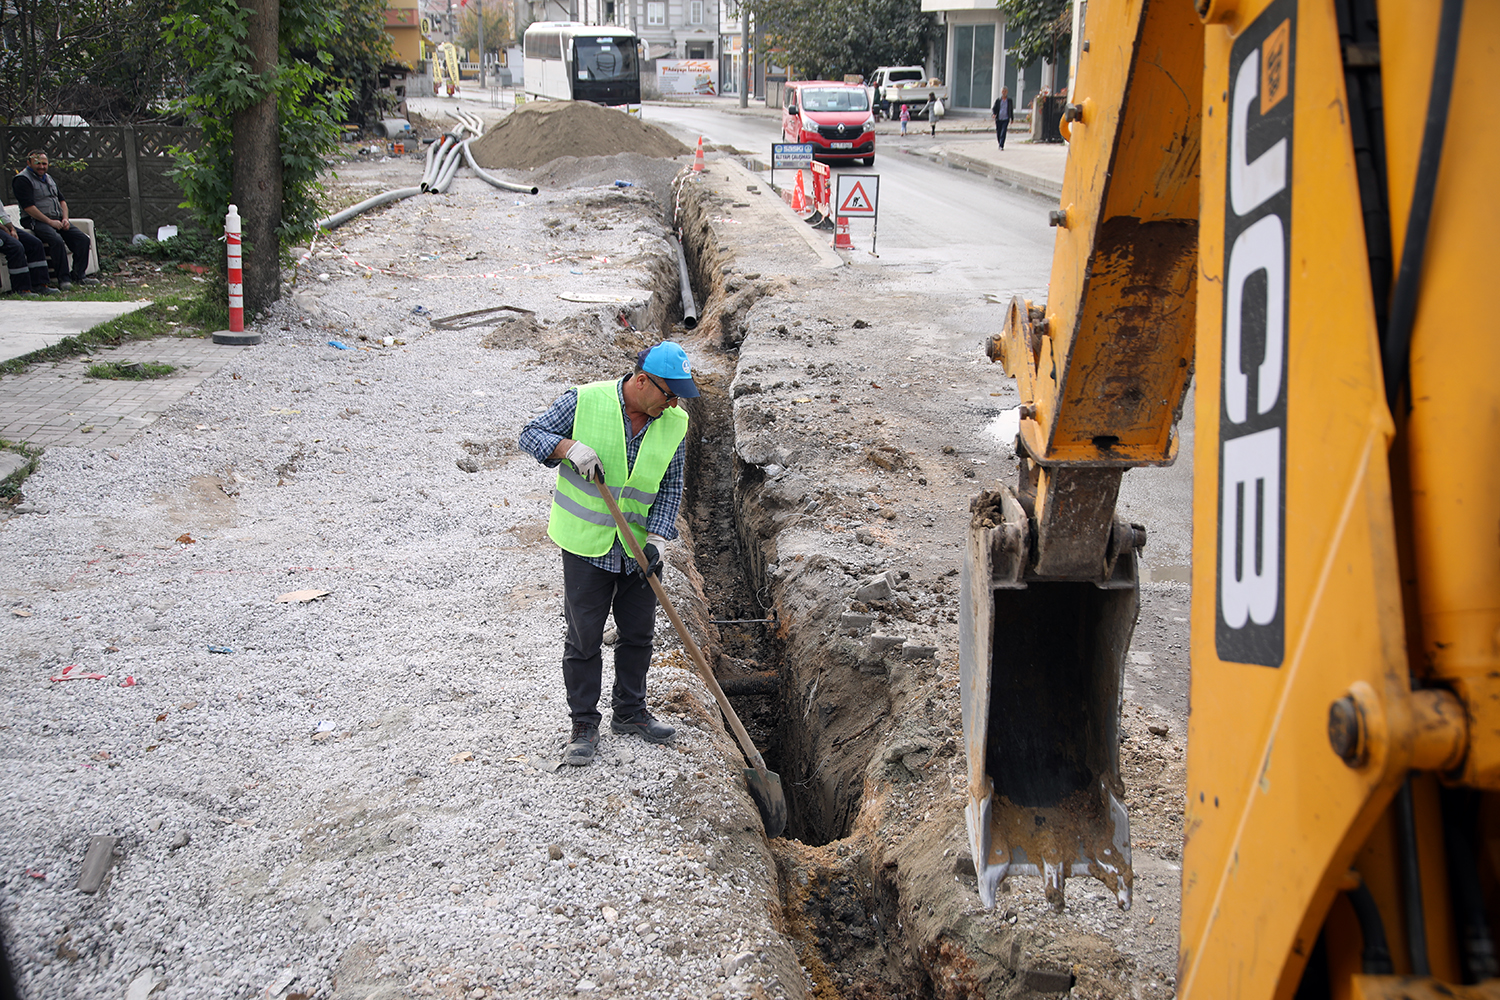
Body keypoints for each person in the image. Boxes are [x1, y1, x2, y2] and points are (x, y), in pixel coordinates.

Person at [518, 341, 701, 766]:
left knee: (638, 634)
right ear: (642, 381)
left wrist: (657, 540)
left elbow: (672, 486)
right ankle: (584, 724)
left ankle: (631, 713)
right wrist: (567, 449)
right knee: (584, 639)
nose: (674, 403)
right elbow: (531, 434)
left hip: (636, 548)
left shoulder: (673, 423)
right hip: (587, 546)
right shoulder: (584, 401)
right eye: (669, 393)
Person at [12, 149, 96, 291]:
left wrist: (65, 219)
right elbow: (28, 207)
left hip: (57, 218)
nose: (42, 167)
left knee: (82, 239)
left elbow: (62, 201)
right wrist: (50, 222)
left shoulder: (48, 178)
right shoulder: (22, 180)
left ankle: (79, 276)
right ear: (29, 162)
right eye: (38, 163)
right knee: (56, 240)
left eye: (44, 164)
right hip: (35, 221)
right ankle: (64, 280)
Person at [1, 213, 52, 295]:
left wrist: (12, 228)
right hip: (2, 229)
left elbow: (2, 215)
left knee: (34, 244)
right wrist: (6, 229)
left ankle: (39, 285)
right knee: (15, 247)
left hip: (3, 227)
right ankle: (21, 289)